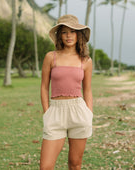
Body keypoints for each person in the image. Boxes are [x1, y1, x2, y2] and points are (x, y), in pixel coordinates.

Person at [40, 14, 93, 170]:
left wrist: (89, 114)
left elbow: (88, 90)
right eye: (64, 32)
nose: (68, 36)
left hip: (78, 112)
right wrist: (47, 112)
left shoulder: (86, 60)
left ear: (79, 35)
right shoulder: (51, 57)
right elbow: (44, 87)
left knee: (75, 164)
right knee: (45, 166)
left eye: (72, 31)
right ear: (59, 36)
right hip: (55, 112)